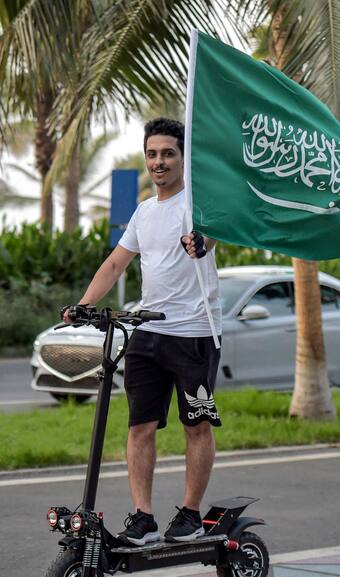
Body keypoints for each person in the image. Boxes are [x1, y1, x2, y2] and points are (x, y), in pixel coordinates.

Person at [63, 117, 222, 545]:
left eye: (168, 153)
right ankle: (143, 517)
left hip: (194, 333)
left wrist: (199, 243)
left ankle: (190, 513)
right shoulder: (144, 212)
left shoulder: (200, 206)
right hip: (147, 331)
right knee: (140, 427)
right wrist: (84, 305)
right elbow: (116, 263)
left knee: (196, 427)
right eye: (152, 154)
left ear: (182, 157)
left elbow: (206, 239)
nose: (159, 161)